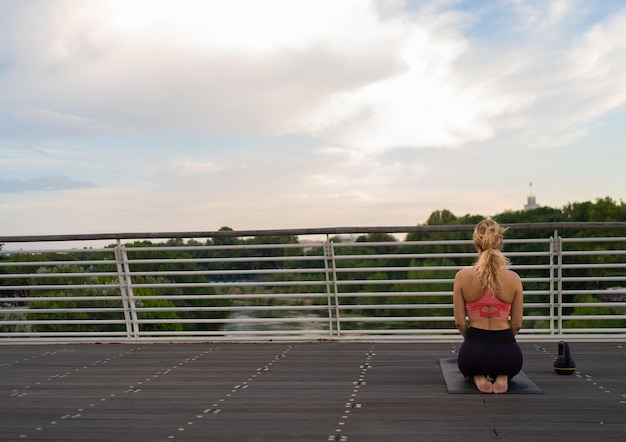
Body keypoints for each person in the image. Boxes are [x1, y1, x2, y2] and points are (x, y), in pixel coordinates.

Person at [453, 218, 524, 393]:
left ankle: (477, 376)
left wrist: (474, 341)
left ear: (475, 244)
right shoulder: (514, 279)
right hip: (508, 355)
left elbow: (460, 323)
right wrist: (503, 341)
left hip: (473, 354)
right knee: (506, 366)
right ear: (501, 243)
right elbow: (516, 325)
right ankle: (502, 376)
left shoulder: (462, 277)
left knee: (471, 366)